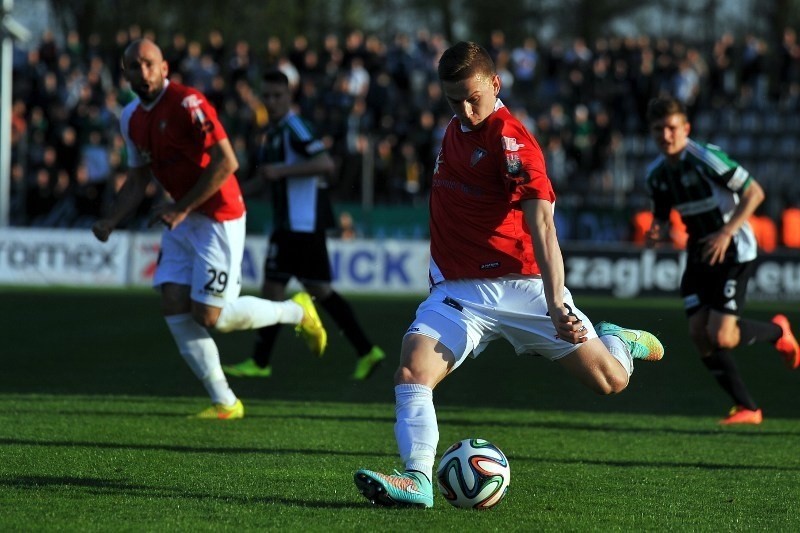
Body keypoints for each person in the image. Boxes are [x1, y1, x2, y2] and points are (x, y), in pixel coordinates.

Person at [352, 41, 664, 509]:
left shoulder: (513, 141)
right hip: (460, 292)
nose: (464, 108)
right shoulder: (454, 129)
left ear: (495, 84)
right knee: (412, 370)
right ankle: (416, 479)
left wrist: (557, 301)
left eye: (472, 97)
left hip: (525, 288)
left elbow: (542, 223)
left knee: (610, 380)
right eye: (452, 98)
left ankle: (617, 339)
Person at [91, 39, 327, 420]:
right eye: (135, 66)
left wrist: (181, 207)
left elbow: (227, 161)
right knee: (172, 301)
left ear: (164, 67)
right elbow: (137, 180)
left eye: (150, 64)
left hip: (219, 215)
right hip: (181, 216)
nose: (144, 72)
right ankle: (226, 402)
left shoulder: (188, 103)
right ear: (126, 73)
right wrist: (111, 220)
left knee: (212, 317)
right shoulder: (130, 117)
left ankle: (295, 312)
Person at [644, 96, 799, 425]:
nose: (666, 136)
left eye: (672, 128)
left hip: (733, 249)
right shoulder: (656, 174)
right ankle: (747, 408)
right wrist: (657, 232)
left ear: (686, 128)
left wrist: (727, 232)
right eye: (659, 129)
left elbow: (755, 192)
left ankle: (777, 331)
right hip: (700, 252)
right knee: (699, 334)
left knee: (723, 336)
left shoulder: (705, 158)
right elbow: (661, 216)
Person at [223, 70, 385, 381]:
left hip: (300, 224)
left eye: (277, 96)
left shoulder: (294, 127)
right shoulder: (272, 132)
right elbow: (267, 176)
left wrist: (281, 171)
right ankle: (366, 350)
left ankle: (260, 362)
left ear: (289, 97)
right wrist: (234, 193)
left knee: (278, 291)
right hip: (291, 225)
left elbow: (325, 163)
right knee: (315, 290)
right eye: (266, 96)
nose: (271, 102)